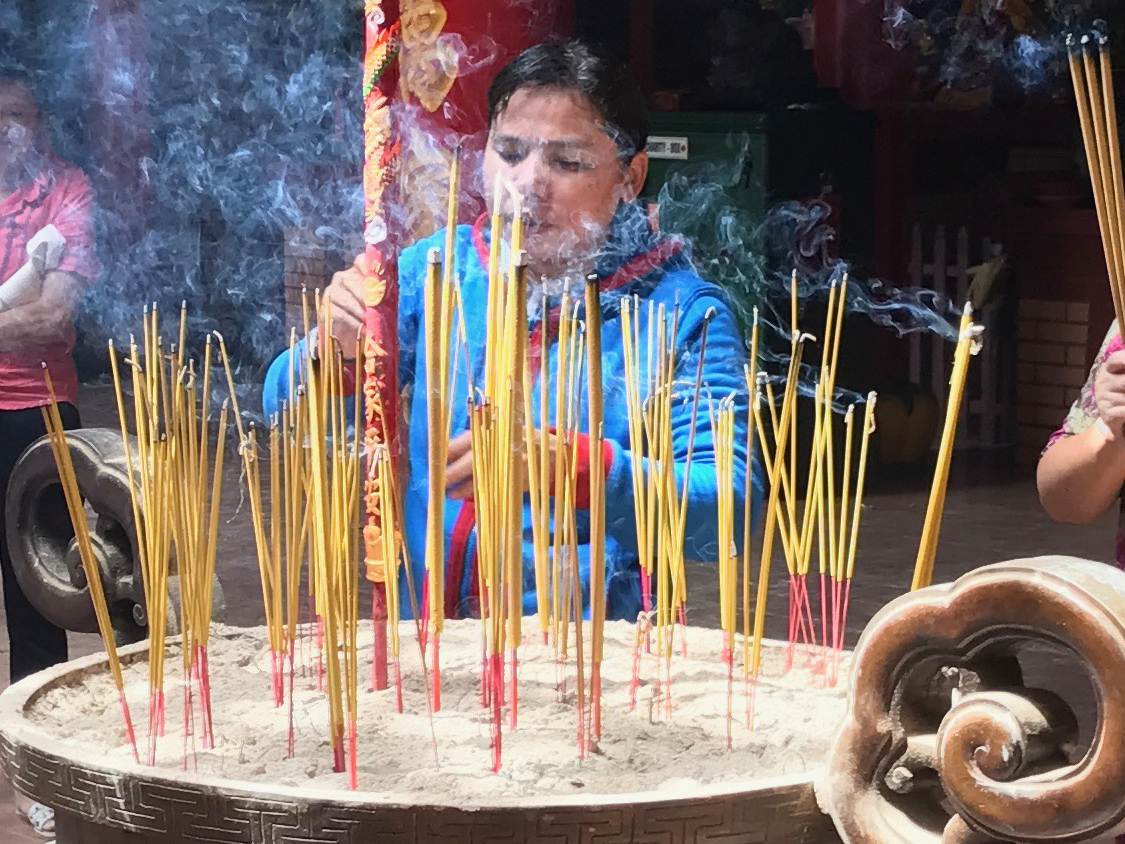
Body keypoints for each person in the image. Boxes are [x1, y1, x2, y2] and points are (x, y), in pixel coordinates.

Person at [263, 39, 759, 621]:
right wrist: (333, 353)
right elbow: (285, 412)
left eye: (567, 161)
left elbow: (729, 507)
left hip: (597, 653)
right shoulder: (436, 273)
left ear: (631, 176)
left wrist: (576, 470)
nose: (528, 183)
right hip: (433, 644)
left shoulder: (680, 312)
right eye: (510, 152)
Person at [0, 72, 99, 838]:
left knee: (39, 589)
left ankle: (42, 769)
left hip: (35, 409)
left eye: (21, 116)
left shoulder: (67, 192)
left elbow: (52, 318)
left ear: (41, 121)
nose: (9, 129)